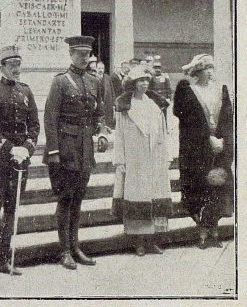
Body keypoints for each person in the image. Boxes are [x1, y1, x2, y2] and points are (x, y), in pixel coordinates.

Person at [43, 36, 107, 270]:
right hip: (66, 146)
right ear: (70, 54)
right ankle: (65, 251)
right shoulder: (60, 81)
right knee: (65, 198)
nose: (84, 58)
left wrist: (101, 134)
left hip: (85, 147)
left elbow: (99, 112)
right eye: (79, 54)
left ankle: (76, 247)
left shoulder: (94, 81)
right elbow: (50, 117)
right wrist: (54, 151)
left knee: (78, 199)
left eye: (87, 54)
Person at [0, 46, 40, 282]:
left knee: (12, 211)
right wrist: (9, 147)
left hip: (19, 161)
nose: (16, 69)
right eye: (12, 65)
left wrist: (26, 148)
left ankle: (3, 260)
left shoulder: (26, 91)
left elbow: (34, 125)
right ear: (2, 67)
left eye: (18, 64)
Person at [173, 54, 233, 249]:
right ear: (198, 71)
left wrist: (223, 139)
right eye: (206, 68)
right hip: (198, 149)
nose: (210, 71)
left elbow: (227, 118)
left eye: (211, 68)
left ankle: (214, 229)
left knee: (218, 186)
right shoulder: (188, 91)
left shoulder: (220, 91)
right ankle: (202, 231)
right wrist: (208, 139)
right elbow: (188, 123)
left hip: (219, 148)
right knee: (201, 188)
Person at [112, 66, 172, 256]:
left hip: (154, 157)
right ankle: (138, 242)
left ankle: (151, 240)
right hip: (135, 158)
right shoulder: (126, 107)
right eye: (140, 81)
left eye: (146, 80)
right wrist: (120, 159)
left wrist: (166, 156)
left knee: (153, 196)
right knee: (137, 197)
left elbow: (163, 132)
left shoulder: (155, 106)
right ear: (133, 84)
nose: (144, 84)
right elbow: (120, 135)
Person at [148, 55, 172, 125]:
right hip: (155, 98)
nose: (157, 70)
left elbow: (168, 88)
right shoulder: (151, 78)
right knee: (155, 113)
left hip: (163, 97)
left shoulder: (165, 77)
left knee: (164, 113)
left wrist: (168, 98)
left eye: (159, 68)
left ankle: (165, 126)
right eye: (155, 68)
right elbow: (150, 89)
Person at [96, 61, 116, 129]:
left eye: (102, 68)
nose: (101, 70)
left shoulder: (108, 78)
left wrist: (113, 104)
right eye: (99, 68)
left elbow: (112, 91)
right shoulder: (93, 79)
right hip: (98, 104)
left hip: (108, 104)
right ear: (96, 69)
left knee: (108, 123)